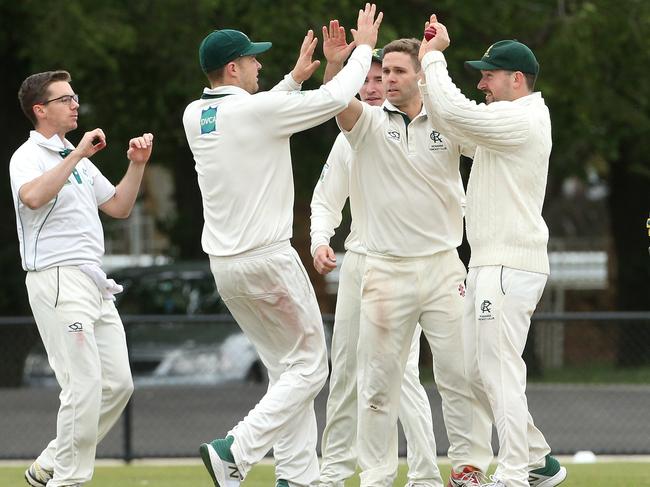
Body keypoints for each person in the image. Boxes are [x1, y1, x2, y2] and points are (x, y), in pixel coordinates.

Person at [182, 6, 382, 487]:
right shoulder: (254, 111)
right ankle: (236, 450)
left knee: (287, 371)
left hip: (226, 267)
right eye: (252, 61)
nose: (259, 66)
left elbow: (259, 116)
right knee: (313, 367)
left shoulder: (197, 114)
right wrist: (365, 47)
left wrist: (293, 79)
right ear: (233, 68)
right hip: (268, 260)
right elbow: (335, 98)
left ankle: (296, 476)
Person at [329, 35, 494, 487]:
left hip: (443, 268)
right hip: (385, 270)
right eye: (384, 73)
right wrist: (344, 59)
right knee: (377, 386)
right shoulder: (366, 123)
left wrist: (437, 52)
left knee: (460, 376)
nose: (388, 80)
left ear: (420, 74)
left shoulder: (446, 120)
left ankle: (468, 469)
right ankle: (378, 476)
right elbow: (337, 99)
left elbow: (491, 143)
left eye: (399, 71)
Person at [418, 15, 567, 487]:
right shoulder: (502, 124)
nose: (481, 83)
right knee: (473, 371)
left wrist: (435, 57)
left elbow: (457, 115)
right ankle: (539, 459)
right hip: (489, 263)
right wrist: (426, 71)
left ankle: (515, 471)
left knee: (497, 372)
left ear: (516, 79)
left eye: (488, 74)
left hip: (508, 265)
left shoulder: (519, 118)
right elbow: (448, 121)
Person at [10, 70, 154, 487]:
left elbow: (120, 206)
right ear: (41, 110)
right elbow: (33, 198)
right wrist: (75, 157)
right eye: (65, 99)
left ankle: (52, 462)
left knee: (118, 385)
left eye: (75, 97)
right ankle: (68, 480)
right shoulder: (29, 155)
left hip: (92, 281)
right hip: (55, 279)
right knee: (83, 386)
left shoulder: (72, 157)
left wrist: (136, 164)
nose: (75, 104)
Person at [311, 48, 443, 487]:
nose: (373, 86)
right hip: (360, 261)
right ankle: (334, 470)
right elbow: (327, 198)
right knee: (346, 367)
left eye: (380, 77)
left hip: (407, 266)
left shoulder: (421, 124)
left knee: (400, 374)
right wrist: (319, 239)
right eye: (367, 79)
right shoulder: (352, 130)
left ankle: (423, 472)